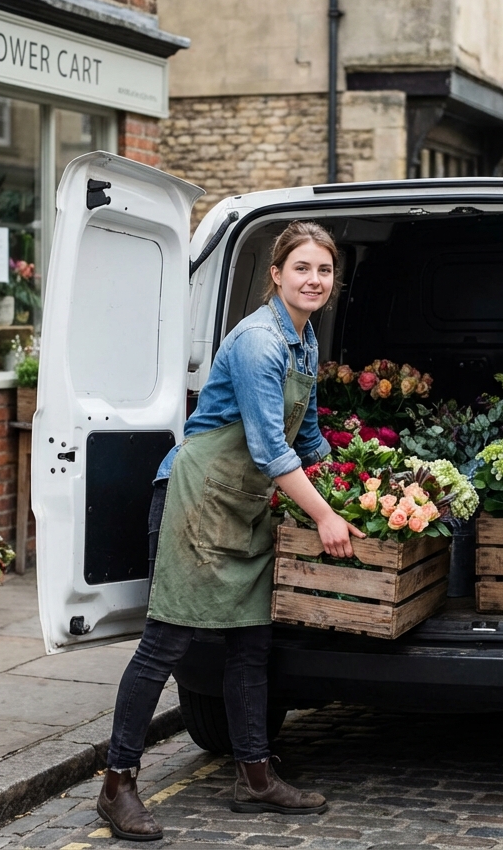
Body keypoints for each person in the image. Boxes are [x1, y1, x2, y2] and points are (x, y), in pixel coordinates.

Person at [97, 221, 363, 841]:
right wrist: (325, 514)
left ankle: (255, 776)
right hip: (196, 499)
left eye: (323, 270)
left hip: (244, 502)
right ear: (276, 274)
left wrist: (363, 482)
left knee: (250, 645)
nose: (313, 280)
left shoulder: (303, 341)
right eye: (301, 268)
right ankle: (117, 783)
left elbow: (308, 436)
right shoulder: (259, 343)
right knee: (164, 645)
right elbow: (273, 448)